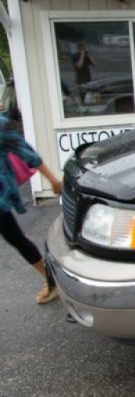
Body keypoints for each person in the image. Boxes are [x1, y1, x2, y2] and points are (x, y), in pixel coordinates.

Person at [1, 113, 63, 304]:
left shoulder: (2, 125)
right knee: (15, 237)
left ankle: (52, 280)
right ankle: (52, 279)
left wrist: (53, 181)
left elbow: (28, 153)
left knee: (15, 237)